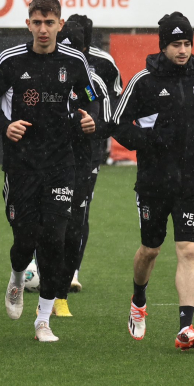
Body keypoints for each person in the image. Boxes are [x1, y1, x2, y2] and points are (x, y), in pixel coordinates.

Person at [0, 0, 99, 342]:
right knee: (25, 239)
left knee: (55, 240)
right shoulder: (11, 59)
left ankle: (43, 320)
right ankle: (18, 275)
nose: (43, 29)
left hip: (61, 164)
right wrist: (6, 126)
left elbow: (91, 97)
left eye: (49, 22)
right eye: (37, 22)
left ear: (60, 25)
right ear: (28, 24)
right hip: (22, 165)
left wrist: (90, 118)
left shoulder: (74, 60)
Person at [112, 12, 194, 350]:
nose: (183, 50)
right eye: (176, 44)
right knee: (150, 250)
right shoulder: (144, 81)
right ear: (163, 46)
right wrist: (150, 141)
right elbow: (118, 123)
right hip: (154, 182)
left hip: (192, 183)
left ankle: (186, 328)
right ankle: (138, 299)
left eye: (187, 43)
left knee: (188, 251)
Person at [52, 22, 112, 317]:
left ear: (83, 52)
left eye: (73, 50)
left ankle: (61, 294)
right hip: (46, 162)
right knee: (47, 228)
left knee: (74, 227)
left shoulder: (94, 83)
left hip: (81, 164)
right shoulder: (43, 75)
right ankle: (38, 280)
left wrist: (94, 125)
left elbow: (109, 122)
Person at [65, 14, 123, 291]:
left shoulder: (103, 66)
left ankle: (72, 271)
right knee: (48, 210)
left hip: (88, 151)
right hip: (52, 151)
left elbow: (115, 102)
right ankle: (36, 265)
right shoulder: (47, 64)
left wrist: (96, 125)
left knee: (80, 209)